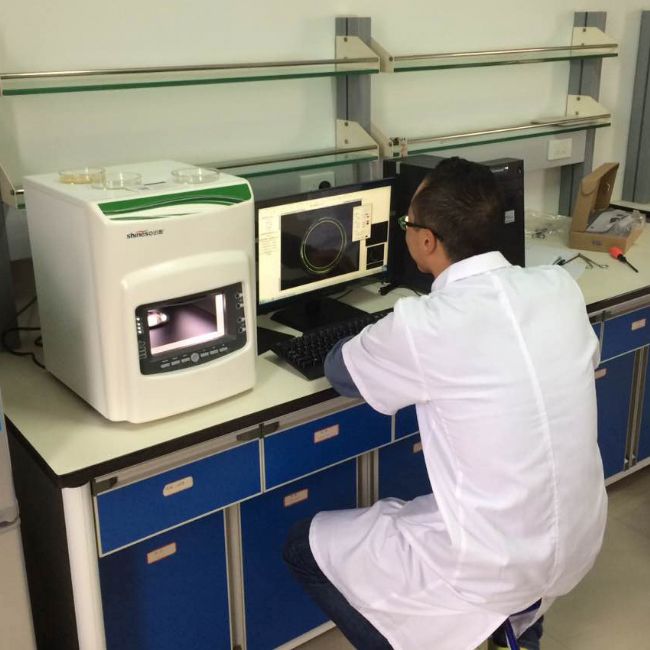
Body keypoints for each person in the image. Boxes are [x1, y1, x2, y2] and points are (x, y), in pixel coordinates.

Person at [283, 156, 608, 650]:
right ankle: (520, 635)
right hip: (580, 539)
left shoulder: (424, 324)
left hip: (494, 565)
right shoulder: (558, 287)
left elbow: (338, 370)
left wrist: (378, 331)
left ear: (427, 241)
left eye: (407, 224)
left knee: (301, 546)